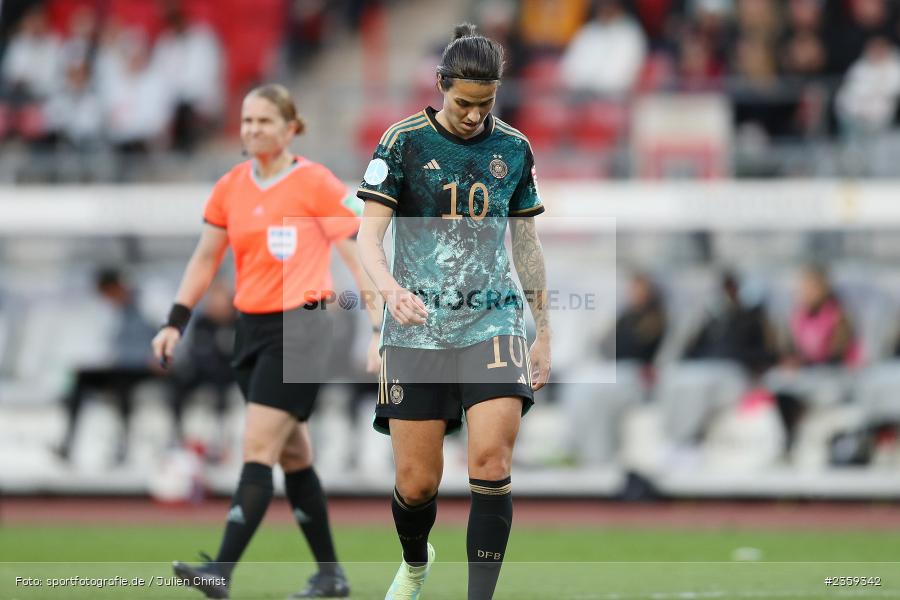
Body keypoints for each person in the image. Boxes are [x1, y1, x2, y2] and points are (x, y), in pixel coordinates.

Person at [152, 83, 382, 599]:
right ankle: (331, 575)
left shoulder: (316, 183)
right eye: (246, 120)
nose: (253, 129)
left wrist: (376, 327)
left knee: (256, 447)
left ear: (291, 128)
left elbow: (358, 255)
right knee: (293, 457)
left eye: (264, 121)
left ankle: (221, 571)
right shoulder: (230, 187)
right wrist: (174, 321)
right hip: (250, 330)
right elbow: (205, 260)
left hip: (302, 328)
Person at [356, 24, 551, 600]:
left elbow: (527, 245)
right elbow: (368, 240)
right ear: (441, 86)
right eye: (464, 103)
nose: (473, 115)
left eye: (485, 103)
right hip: (415, 327)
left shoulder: (513, 149)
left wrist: (544, 331)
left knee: (490, 462)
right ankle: (415, 562)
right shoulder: (402, 143)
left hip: (492, 321)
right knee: (417, 486)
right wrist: (390, 291)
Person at [56, 268, 162, 465]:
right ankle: (67, 442)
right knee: (81, 380)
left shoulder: (148, 302)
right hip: (119, 367)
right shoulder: (111, 312)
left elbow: (167, 329)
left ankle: (123, 445)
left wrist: (161, 356)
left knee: (122, 385)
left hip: (146, 366)